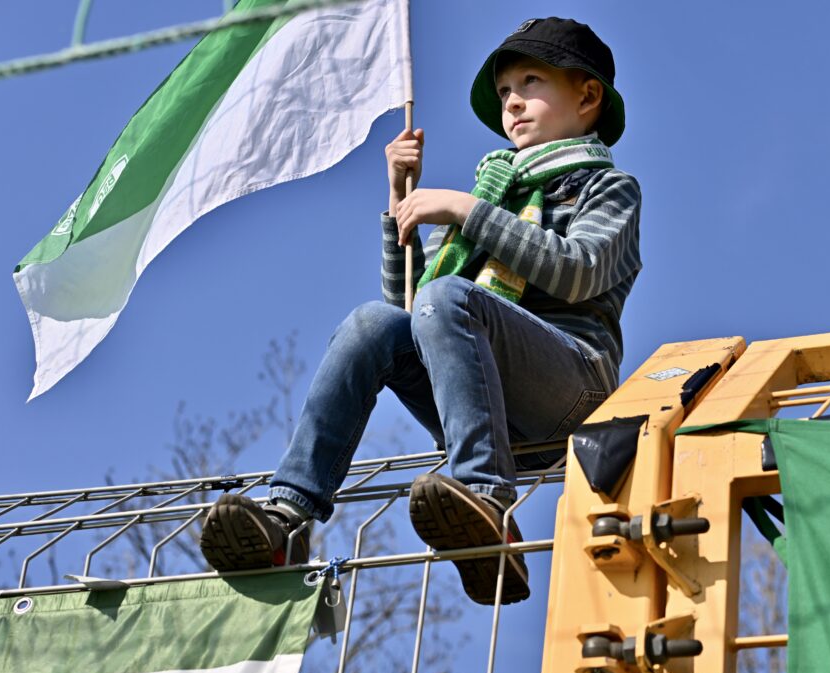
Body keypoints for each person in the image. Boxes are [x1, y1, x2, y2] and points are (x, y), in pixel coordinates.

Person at [199, 17, 641, 606]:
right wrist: (399, 201)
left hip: (570, 388)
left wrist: (464, 209)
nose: (512, 103)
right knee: (371, 323)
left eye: (530, 82)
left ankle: (486, 503)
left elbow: (579, 269)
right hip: (479, 397)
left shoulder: (607, 186)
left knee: (449, 299)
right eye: (505, 91)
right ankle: (288, 516)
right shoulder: (492, 195)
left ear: (587, 96)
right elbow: (411, 314)